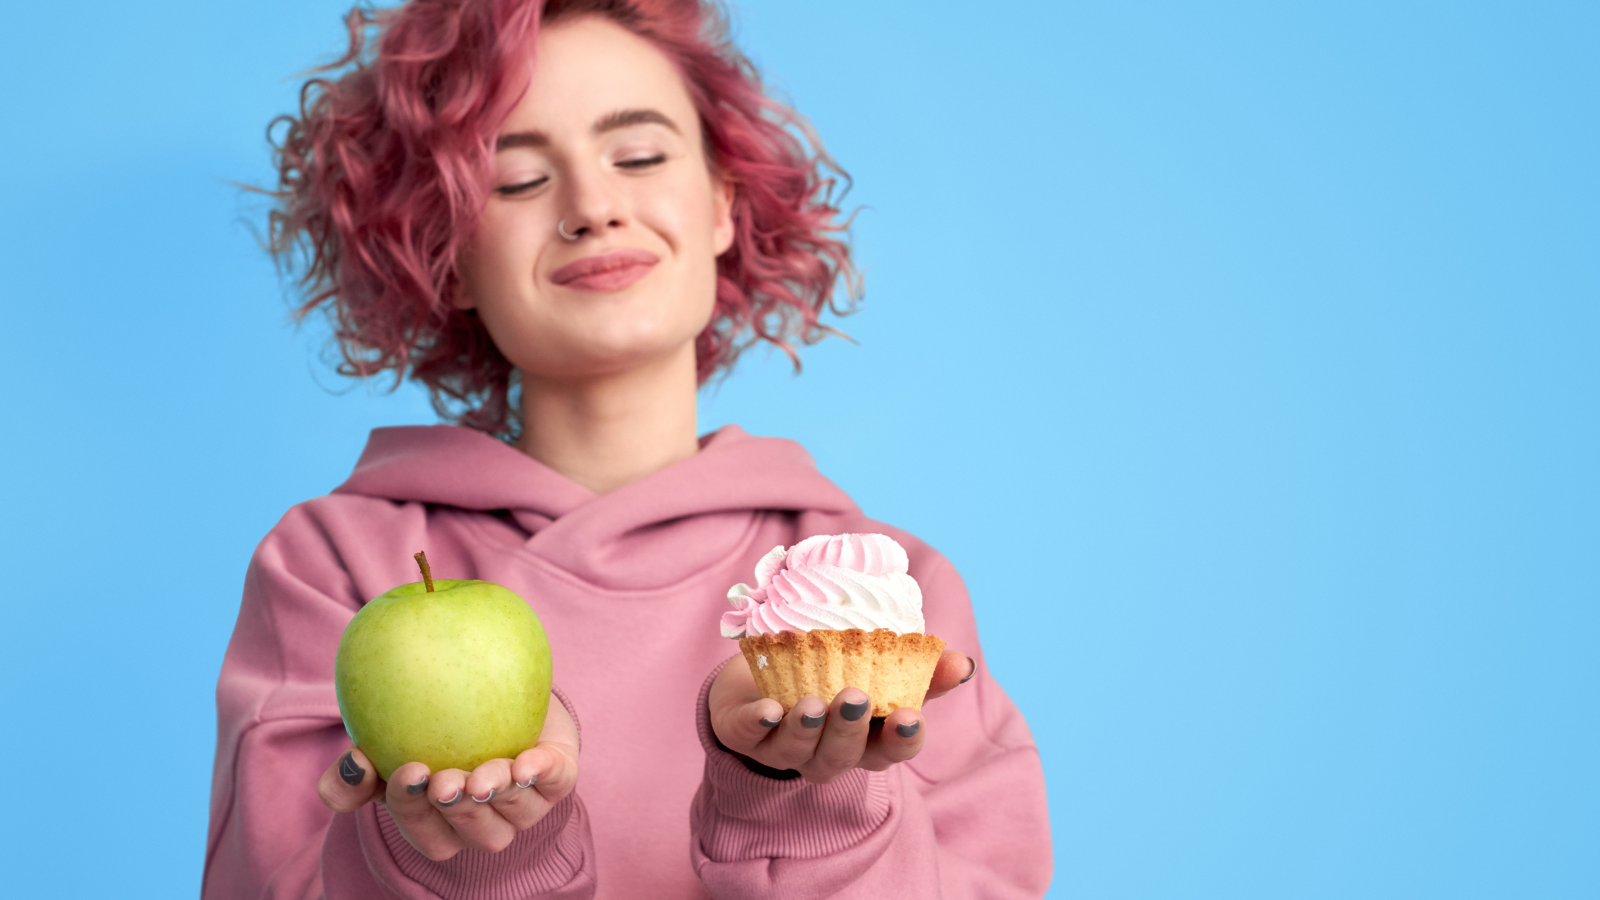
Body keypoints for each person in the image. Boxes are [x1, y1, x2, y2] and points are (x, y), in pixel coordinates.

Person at [204, 0, 1052, 897]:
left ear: (724, 201)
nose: (594, 208)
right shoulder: (330, 566)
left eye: (640, 156)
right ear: (446, 253)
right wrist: (477, 858)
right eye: (518, 179)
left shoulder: (883, 594)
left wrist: (797, 806)